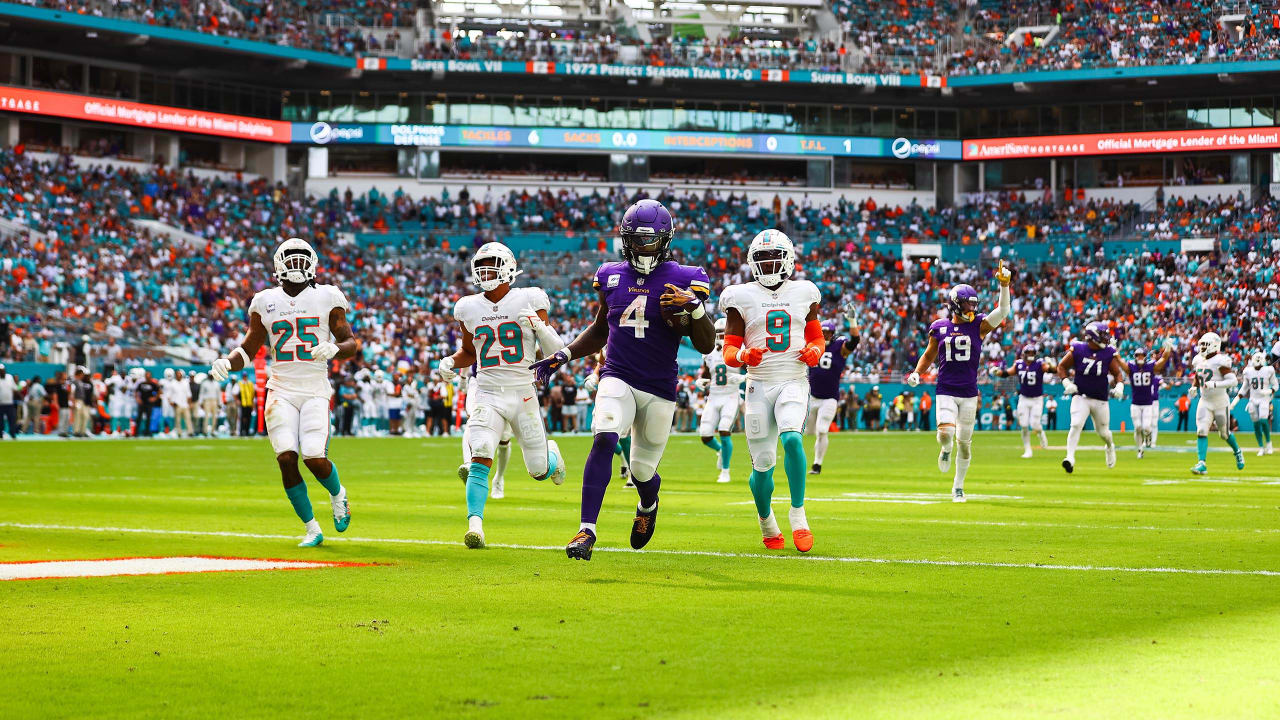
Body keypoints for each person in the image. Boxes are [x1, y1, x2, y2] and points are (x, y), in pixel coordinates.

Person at [531, 199, 714, 561]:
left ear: (664, 240)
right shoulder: (612, 275)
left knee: (643, 471)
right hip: (617, 375)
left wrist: (695, 308)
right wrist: (565, 353)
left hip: (660, 387)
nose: (639, 246)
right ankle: (586, 530)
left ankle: (648, 504)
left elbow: (706, 345)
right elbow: (602, 329)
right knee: (604, 437)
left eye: (647, 239)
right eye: (633, 239)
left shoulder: (687, 277)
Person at [209, 238, 358, 547]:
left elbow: (351, 343)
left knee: (315, 458)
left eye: (302, 259)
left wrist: (334, 348)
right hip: (281, 388)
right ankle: (312, 528)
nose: (297, 265)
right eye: (291, 259)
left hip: (315, 388)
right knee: (286, 457)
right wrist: (228, 360)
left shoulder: (329, 296)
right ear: (278, 265)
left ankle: (338, 494)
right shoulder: (264, 301)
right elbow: (249, 348)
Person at [437, 241, 568, 549]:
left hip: (523, 392)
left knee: (538, 470)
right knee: (480, 451)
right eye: (481, 267)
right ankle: (475, 526)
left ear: (509, 267)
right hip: (487, 391)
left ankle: (553, 455)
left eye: (492, 266)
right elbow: (470, 352)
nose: (486, 272)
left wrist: (540, 327)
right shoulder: (468, 307)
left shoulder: (530, 298)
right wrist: (450, 361)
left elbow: (557, 352)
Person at [720, 229, 823, 551]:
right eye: (761, 258)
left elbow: (817, 337)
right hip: (758, 384)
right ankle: (766, 520)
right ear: (752, 262)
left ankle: (798, 514)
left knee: (792, 438)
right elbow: (728, 351)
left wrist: (816, 351)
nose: (767, 263)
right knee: (763, 465)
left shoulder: (805, 291)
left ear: (788, 258)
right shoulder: (741, 295)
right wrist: (742, 356)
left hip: (793, 378)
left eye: (773, 256)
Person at [907, 261, 1012, 502]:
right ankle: (944, 449)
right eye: (968, 304)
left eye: (974, 304)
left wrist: (1004, 286)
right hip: (945, 389)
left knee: (964, 443)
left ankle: (958, 486)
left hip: (968, 393)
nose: (972, 308)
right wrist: (917, 372)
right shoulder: (940, 327)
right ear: (956, 304)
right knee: (946, 435)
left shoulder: (979, 326)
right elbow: (929, 354)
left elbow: (1003, 311)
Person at [1056, 321, 1126, 473]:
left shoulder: (1108, 352)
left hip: (1100, 398)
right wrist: (1066, 383)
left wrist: (1119, 385)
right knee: (1075, 424)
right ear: (1093, 336)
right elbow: (1061, 366)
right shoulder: (1079, 349)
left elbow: (1117, 373)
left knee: (1103, 433)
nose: (1106, 338)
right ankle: (1070, 458)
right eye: (1103, 335)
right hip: (1081, 396)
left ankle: (1109, 446)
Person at [806, 310, 860, 474]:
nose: (826, 335)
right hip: (812, 396)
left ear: (833, 334)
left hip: (829, 398)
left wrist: (852, 321)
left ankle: (817, 464)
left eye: (829, 333)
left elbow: (854, 341)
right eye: (824, 332)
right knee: (809, 432)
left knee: (822, 430)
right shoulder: (812, 344)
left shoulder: (839, 347)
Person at [696, 318, 746, 483]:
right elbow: (708, 374)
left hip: (731, 395)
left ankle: (725, 471)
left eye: (723, 333)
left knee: (725, 430)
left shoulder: (739, 350)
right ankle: (720, 451)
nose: (721, 336)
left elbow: (753, 370)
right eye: (718, 333)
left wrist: (742, 377)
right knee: (705, 435)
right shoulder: (709, 353)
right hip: (714, 396)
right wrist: (701, 381)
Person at [1188, 331, 1245, 474]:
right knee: (1201, 430)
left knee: (1224, 434)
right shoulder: (1198, 360)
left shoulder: (1220, 360)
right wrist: (1194, 387)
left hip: (1220, 402)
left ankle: (1237, 451)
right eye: (1201, 344)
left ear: (1214, 345)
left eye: (1205, 345)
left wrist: (1214, 384)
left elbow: (1232, 381)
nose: (1202, 347)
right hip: (1205, 401)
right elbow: (1198, 375)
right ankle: (1202, 463)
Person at [989, 344, 1054, 458]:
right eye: (1028, 353)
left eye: (1032, 354)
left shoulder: (1039, 364)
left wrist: (1052, 364)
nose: (1030, 356)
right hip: (1024, 398)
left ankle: (1041, 433)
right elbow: (1006, 373)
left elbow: (1052, 370)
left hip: (1037, 399)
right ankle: (1028, 450)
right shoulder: (1019, 364)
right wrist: (997, 372)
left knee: (1035, 424)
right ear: (1024, 355)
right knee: (1023, 425)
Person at [1123, 341, 1175, 458]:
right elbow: (1120, 363)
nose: (1139, 358)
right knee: (1137, 427)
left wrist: (1167, 348)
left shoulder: (1151, 367)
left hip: (1148, 403)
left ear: (1145, 357)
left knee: (1147, 427)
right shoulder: (1131, 366)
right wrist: (1114, 351)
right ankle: (1140, 450)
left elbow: (1163, 359)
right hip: (1135, 403)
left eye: (1141, 355)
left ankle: (1149, 437)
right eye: (1137, 355)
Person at [1239, 351, 1277, 455]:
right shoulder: (1248, 371)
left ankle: (1269, 443)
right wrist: (1238, 397)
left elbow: (1275, 386)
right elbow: (1245, 386)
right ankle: (1261, 447)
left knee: (1263, 421)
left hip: (1264, 399)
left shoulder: (1268, 370)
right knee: (1256, 424)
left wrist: (1269, 391)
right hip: (1253, 399)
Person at [135, 371, 159, 437]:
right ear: (145, 376)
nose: (148, 376)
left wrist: (154, 398)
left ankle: (147, 431)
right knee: (139, 418)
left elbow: (159, 391)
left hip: (149, 403)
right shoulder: (141, 384)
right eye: (147, 375)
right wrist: (137, 398)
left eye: (149, 375)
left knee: (148, 418)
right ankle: (136, 432)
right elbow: (136, 391)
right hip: (142, 403)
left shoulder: (153, 384)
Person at [0, 363, 17, 439]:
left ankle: (13, 434)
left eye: (3, 370)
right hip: (0, 404)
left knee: (12, 420)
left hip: (9, 403)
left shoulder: (9, 377)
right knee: (0, 421)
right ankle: (0, 435)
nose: (2, 372)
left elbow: (15, 388)